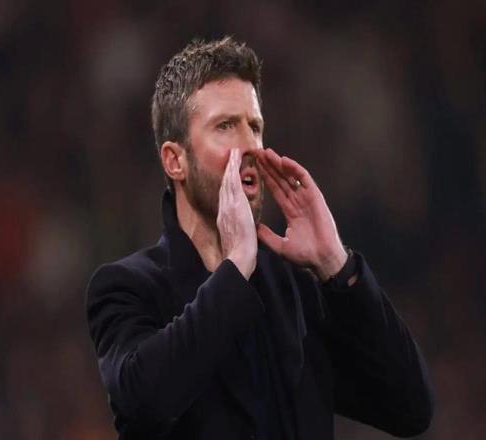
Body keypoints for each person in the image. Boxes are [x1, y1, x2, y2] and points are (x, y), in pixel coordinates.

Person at [86, 37, 434, 440]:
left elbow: (410, 408)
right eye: (225, 126)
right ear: (175, 160)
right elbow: (146, 401)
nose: (250, 146)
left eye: (255, 127)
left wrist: (336, 264)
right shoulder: (127, 288)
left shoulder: (295, 289)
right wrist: (234, 270)